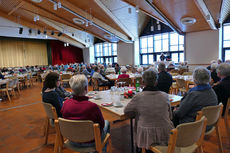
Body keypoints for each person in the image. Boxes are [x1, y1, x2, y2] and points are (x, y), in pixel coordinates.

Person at [124, 70, 174, 150]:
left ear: (143, 82)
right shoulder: (165, 96)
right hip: (165, 133)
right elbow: (170, 116)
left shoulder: (139, 97)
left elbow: (126, 111)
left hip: (146, 136)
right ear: (156, 82)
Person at [61, 75, 110, 152]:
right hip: (90, 142)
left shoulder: (65, 103)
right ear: (85, 88)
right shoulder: (92, 106)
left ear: (72, 89)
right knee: (107, 123)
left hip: (72, 139)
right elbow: (102, 125)